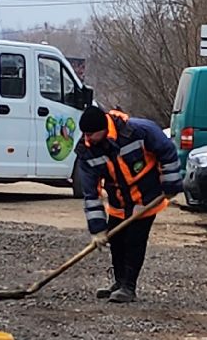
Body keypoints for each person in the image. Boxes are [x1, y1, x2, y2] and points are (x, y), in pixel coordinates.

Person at [72, 105, 180, 303]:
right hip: (119, 201)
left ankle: (129, 286)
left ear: (104, 128)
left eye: (91, 134)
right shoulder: (86, 152)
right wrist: (97, 230)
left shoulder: (139, 131)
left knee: (134, 241)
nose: (88, 139)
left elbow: (167, 150)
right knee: (117, 240)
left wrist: (171, 183)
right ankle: (119, 282)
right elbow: (91, 194)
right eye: (85, 134)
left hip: (146, 197)